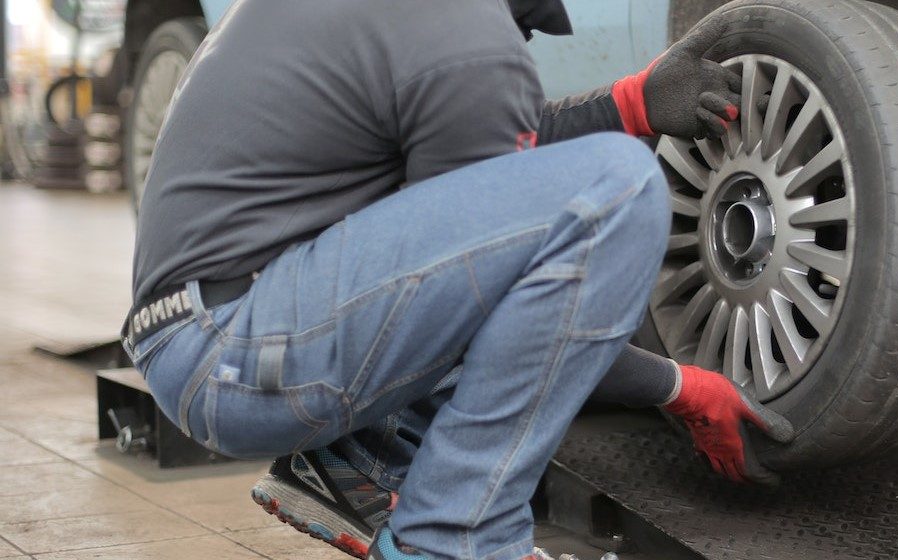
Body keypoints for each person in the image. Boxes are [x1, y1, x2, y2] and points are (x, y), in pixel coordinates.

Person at [121, 1, 793, 559]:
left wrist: (629, 103)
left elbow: (477, 178)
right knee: (616, 189)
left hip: (205, 333)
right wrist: (677, 386)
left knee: (519, 203)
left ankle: (365, 458)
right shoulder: (468, 38)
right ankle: (458, 538)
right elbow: (491, 289)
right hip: (241, 349)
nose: (523, 45)